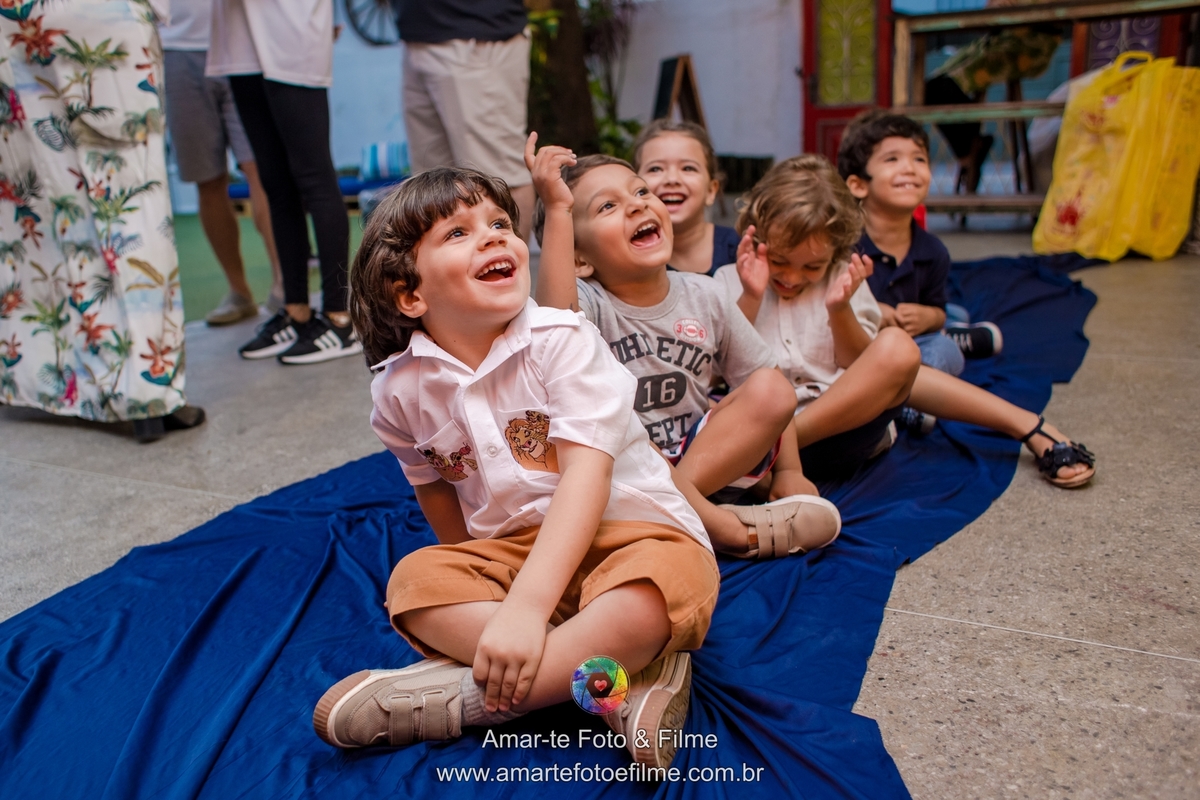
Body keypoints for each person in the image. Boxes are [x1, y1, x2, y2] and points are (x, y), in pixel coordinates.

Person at [315, 167, 720, 770]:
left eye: (501, 224)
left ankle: (466, 698)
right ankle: (619, 677)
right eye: (458, 233)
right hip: (517, 554)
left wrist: (525, 613)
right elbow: (436, 494)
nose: (495, 237)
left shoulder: (563, 341)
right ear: (410, 294)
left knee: (655, 592)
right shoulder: (398, 390)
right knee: (414, 584)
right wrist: (483, 582)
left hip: (631, 533)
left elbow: (587, 477)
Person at [529, 137, 842, 560]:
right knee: (620, 431)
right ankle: (720, 528)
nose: (638, 204)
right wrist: (557, 209)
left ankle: (673, 511)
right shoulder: (588, 303)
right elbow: (556, 325)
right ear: (579, 259)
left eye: (641, 191)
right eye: (607, 206)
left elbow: (763, 379)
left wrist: (790, 471)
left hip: (700, 459)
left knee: (771, 388)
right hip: (617, 468)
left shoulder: (706, 294)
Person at [716, 154, 1096, 488]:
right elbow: (720, 370)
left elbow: (860, 363)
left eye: (811, 266)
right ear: (756, 232)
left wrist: (839, 309)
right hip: (756, 439)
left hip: (835, 434)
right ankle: (1028, 424)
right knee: (925, 356)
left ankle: (787, 445)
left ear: (838, 249)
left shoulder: (842, 280)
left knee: (898, 346)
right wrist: (751, 296)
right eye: (781, 260)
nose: (793, 277)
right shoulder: (729, 281)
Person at [0, 0, 203, 441]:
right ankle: (149, 392)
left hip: (18, 19)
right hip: (103, 13)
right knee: (130, 195)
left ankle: (70, 384)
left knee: (47, 195)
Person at [207, 0, 360, 363]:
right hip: (241, 42)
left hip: (290, 33)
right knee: (274, 181)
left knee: (314, 176)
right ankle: (297, 312)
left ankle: (340, 319)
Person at [836, 109, 1003, 385]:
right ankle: (954, 340)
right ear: (858, 185)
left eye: (919, 158)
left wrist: (930, 317)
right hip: (859, 341)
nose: (910, 168)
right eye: (892, 159)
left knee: (944, 350)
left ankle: (946, 342)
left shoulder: (933, 251)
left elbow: (934, 307)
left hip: (915, 340)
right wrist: (871, 308)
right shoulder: (842, 245)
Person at [159, 0, 282, 325]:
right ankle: (238, 291)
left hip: (241, 44)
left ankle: (284, 285)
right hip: (176, 47)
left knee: (261, 169)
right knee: (208, 180)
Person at [397, 0, 536, 241]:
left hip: (479, 34)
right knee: (429, 186)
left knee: (499, 180)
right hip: (418, 34)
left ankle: (512, 274)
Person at [632, 119, 739, 276]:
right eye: (656, 169)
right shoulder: (627, 256)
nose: (672, 179)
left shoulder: (738, 250)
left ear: (711, 190)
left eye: (688, 168)